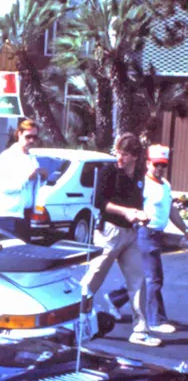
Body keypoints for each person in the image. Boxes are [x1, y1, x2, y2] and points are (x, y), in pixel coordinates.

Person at [80, 132, 161, 348]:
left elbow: (136, 203)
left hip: (130, 233)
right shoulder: (108, 172)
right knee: (93, 278)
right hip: (110, 232)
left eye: (124, 154)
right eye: (118, 152)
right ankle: (75, 320)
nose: (120, 157)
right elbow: (99, 202)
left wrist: (141, 216)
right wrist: (126, 212)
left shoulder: (139, 176)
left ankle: (140, 331)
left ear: (135, 156)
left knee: (138, 280)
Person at [135, 144, 188, 333]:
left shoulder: (165, 185)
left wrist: (184, 229)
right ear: (148, 163)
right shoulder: (142, 184)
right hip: (145, 233)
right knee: (155, 278)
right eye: (156, 164)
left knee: (146, 277)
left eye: (162, 165)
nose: (159, 168)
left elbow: (171, 210)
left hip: (159, 235)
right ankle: (155, 320)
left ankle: (116, 299)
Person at [0, 119, 47, 241]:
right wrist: (27, 178)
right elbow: (3, 187)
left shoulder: (32, 158)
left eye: (34, 137)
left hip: (25, 214)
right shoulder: (7, 157)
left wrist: (42, 179)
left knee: (23, 254)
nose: (32, 141)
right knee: (11, 255)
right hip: (9, 216)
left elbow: (33, 187)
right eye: (28, 137)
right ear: (19, 134)